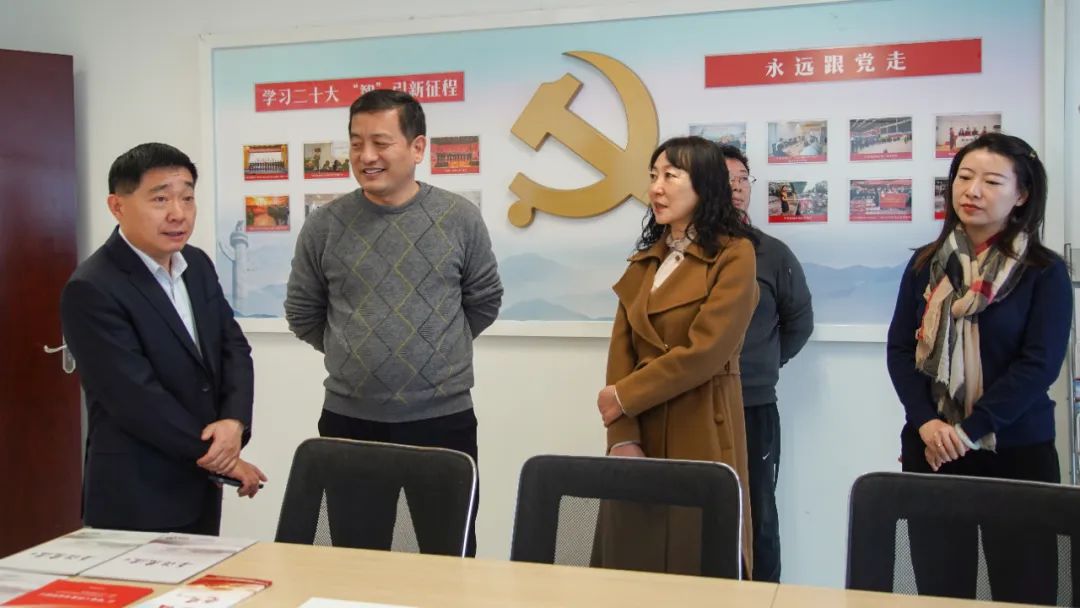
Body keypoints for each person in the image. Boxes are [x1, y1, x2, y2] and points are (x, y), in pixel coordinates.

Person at [285, 90, 502, 557]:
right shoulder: (325, 225)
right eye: (356, 143)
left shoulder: (458, 218)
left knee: (451, 558)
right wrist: (353, 347)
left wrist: (434, 345)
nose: (366, 156)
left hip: (443, 422)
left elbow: (484, 301)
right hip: (349, 422)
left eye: (381, 143)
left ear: (417, 147)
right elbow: (303, 312)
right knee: (355, 560)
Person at [886, 133, 1071, 603]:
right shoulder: (925, 265)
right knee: (940, 589)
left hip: (1014, 451)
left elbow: (1039, 366)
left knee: (1023, 589)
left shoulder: (1043, 272)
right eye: (964, 177)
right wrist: (926, 423)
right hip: (932, 449)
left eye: (992, 181)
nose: (972, 191)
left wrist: (968, 431)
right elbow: (900, 351)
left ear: (1022, 195)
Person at [60, 143, 266, 535]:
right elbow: (135, 398)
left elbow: (233, 347)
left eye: (187, 198)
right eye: (160, 199)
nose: (178, 213)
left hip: (199, 486)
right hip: (137, 494)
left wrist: (234, 421)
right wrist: (221, 457)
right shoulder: (92, 287)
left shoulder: (197, 264)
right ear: (117, 206)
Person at [594, 136, 759, 577]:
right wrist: (622, 435)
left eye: (671, 175)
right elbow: (621, 350)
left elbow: (707, 351)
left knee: (697, 557)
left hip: (701, 422)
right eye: (653, 175)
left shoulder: (735, 255)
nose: (656, 188)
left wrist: (625, 397)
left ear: (704, 184)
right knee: (632, 561)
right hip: (640, 427)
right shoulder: (645, 260)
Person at [718, 144, 814, 582]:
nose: (737, 188)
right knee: (701, 509)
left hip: (752, 404)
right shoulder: (684, 252)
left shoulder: (772, 253)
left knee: (758, 515)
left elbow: (799, 322)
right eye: (727, 180)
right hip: (693, 404)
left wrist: (763, 363)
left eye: (743, 179)